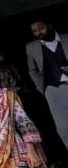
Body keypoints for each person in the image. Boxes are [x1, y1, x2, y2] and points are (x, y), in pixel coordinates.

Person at [26, 20, 68, 153]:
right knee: (63, 126)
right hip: (53, 89)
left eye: (41, 28)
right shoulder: (31, 47)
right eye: (34, 31)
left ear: (49, 25)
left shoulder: (66, 38)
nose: (38, 32)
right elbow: (32, 70)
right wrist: (42, 88)